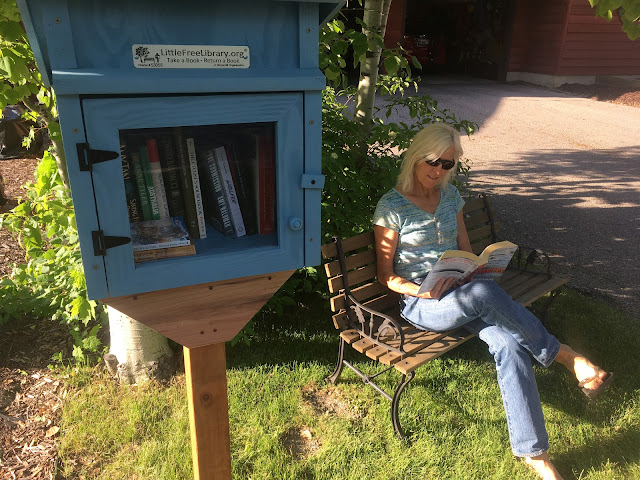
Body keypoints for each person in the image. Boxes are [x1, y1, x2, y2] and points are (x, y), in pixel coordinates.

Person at [372, 123, 613, 480]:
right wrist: (421, 290)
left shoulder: (450, 197)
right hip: (422, 304)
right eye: (432, 161)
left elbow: (465, 251)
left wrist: (475, 268)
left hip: (461, 292)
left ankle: (536, 455)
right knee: (483, 294)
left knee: (508, 344)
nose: (438, 170)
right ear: (416, 156)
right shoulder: (391, 206)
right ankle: (564, 355)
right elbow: (385, 276)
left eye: (447, 164)